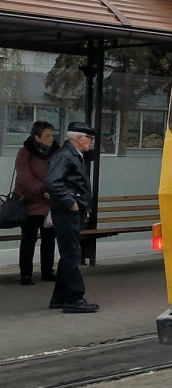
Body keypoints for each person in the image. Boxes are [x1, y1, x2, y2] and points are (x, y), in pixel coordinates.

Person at [45, 121, 99, 313]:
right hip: (67, 211)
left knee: (69, 253)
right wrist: (71, 202)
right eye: (89, 138)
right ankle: (74, 299)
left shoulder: (74, 155)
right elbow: (53, 183)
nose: (91, 142)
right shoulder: (65, 156)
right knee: (71, 254)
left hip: (70, 210)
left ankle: (59, 297)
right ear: (78, 137)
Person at [14, 120, 58, 285]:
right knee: (29, 239)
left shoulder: (55, 152)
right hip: (30, 202)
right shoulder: (25, 153)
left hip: (49, 204)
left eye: (52, 135)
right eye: (47, 136)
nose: (51, 139)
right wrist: (41, 190)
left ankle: (47, 271)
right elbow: (24, 176)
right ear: (36, 137)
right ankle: (26, 274)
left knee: (49, 239)